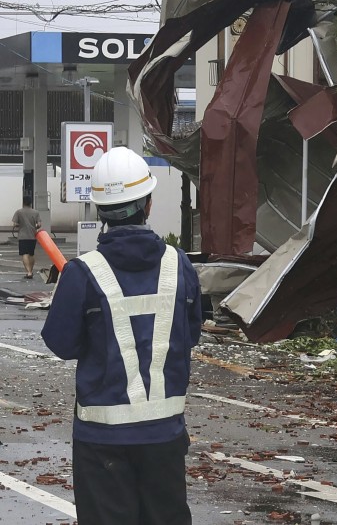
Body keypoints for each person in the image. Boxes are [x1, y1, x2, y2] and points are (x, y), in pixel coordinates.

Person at [41, 147, 202, 525]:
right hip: (164, 438)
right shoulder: (178, 265)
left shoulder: (82, 273)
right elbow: (190, 334)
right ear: (147, 204)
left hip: (102, 442)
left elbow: (61, 344)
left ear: (99, 210)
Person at [12, 196, 42, 279]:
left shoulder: (19, 212)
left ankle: (28, 272)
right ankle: (31, 271)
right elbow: (39, 224)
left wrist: (20, 225)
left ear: (23, 202)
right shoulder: (36, 212)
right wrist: (34, 226)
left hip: (22, 236)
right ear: (31, 203)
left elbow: (14, 224)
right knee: (31, 254)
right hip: (32, 236)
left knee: (24, 254)